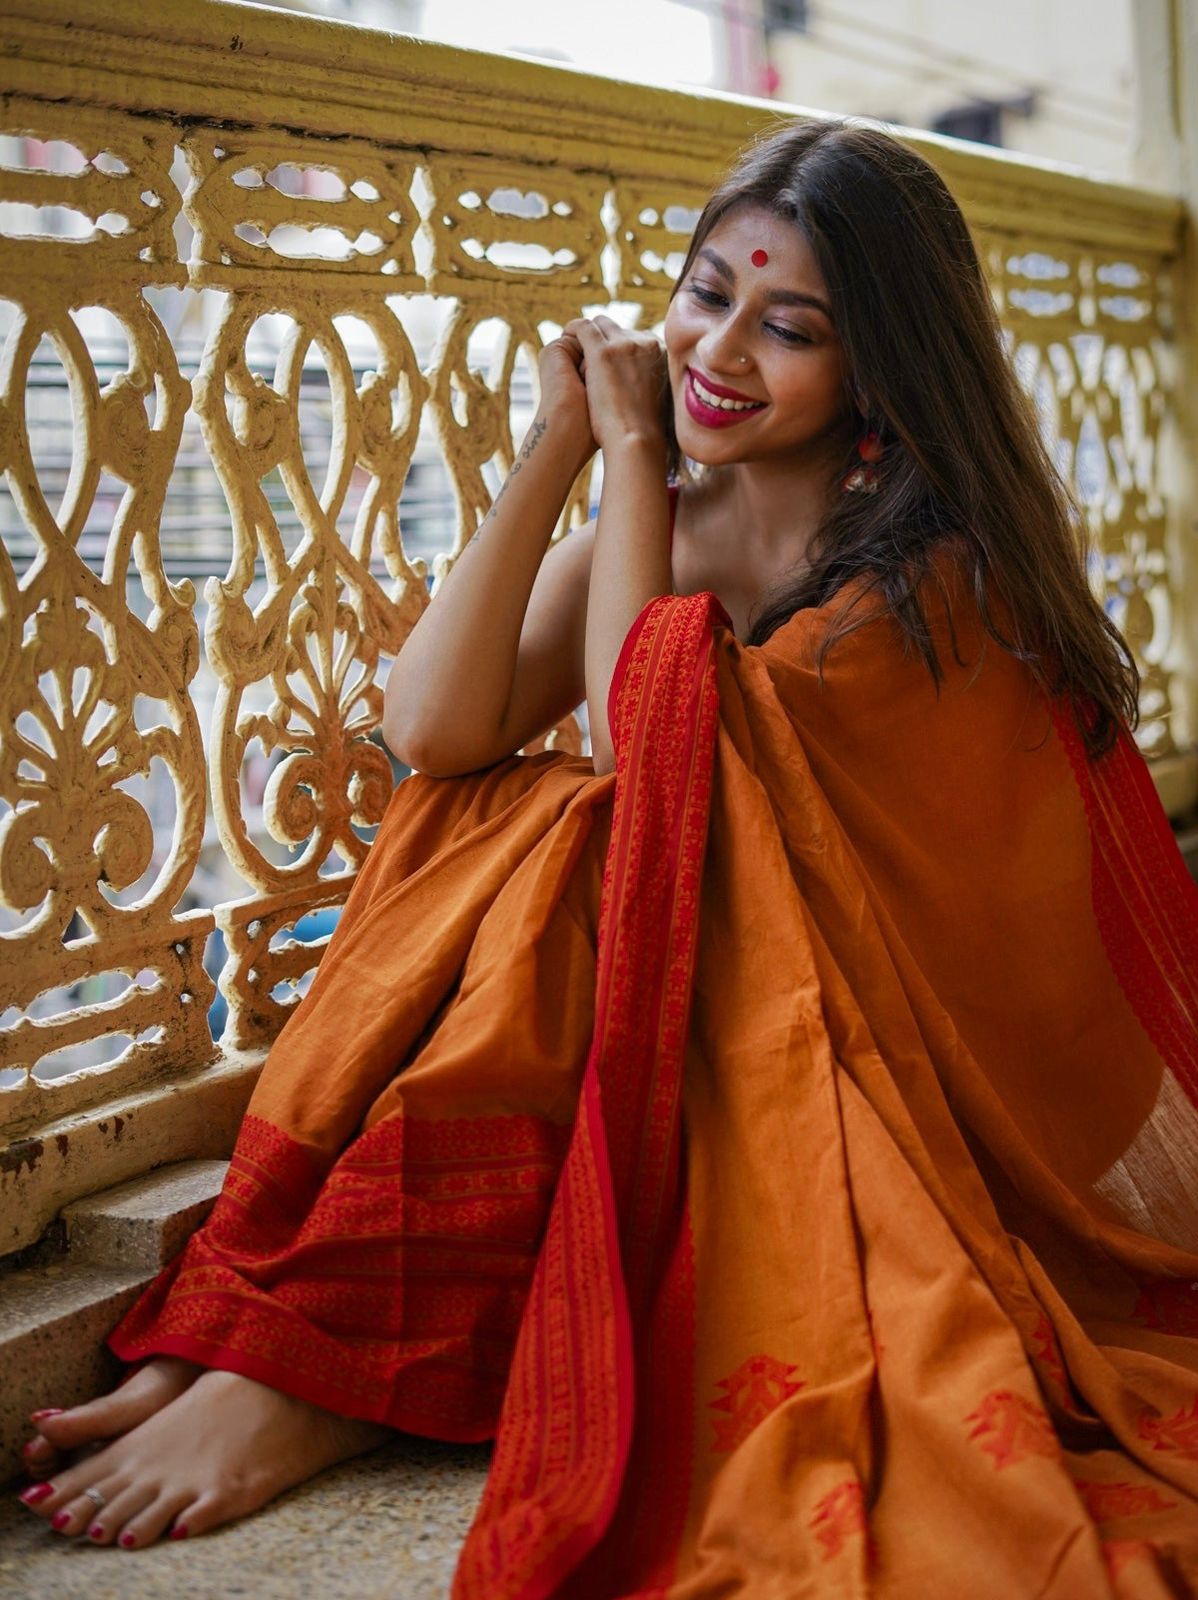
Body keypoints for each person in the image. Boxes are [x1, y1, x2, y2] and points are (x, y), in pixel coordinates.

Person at [17, 115, 1198, 1595]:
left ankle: (312, 1370)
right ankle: (280, 1345)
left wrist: (635, 446)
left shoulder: (933, 574)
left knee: (586, 843)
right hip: (682, 1006)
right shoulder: (677, 515)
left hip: (892, 1059)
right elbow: (432, 733)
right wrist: (557, 448)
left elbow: (654, 778)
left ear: (880, 367)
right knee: (508, 821)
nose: (719, 349)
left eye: (790, 329)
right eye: (705, 295)